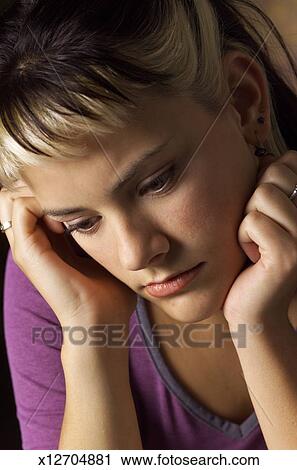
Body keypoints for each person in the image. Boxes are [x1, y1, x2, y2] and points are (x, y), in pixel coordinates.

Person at [0, 0, 297, 450]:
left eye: (157, 182)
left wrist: (262, 329)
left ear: (241, 100)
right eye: (83, 222)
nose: (135, 254)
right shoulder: (59, 277)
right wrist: (92, 339)